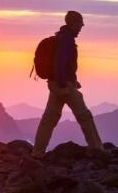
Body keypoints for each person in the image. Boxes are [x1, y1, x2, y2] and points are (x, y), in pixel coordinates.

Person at [31, 11, 104, 158]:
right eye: (80, 23)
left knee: (49, 119)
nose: (82, 26)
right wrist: (65, 84)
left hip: (55, 84)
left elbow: (63, 64)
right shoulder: (66, 40)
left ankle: (37, 153)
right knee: (84, 116)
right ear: (73, 23)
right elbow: (60, 63)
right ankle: (97, 149)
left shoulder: (61, 37)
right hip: (63, 86)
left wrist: (71, 80)